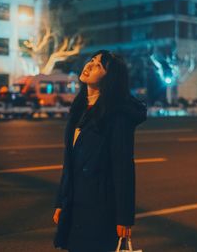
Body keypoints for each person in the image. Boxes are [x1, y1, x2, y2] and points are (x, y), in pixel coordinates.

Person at [53, 50, 147, 252]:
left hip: (100, 207)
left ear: (109, 77)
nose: (89, 65)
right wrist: (62, 201)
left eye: (97, 65)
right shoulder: (79, 108)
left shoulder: (116, 115)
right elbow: (69, 161)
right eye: (91, 60)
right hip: (76, 203)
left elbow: (123, 167)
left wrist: (124, 217)